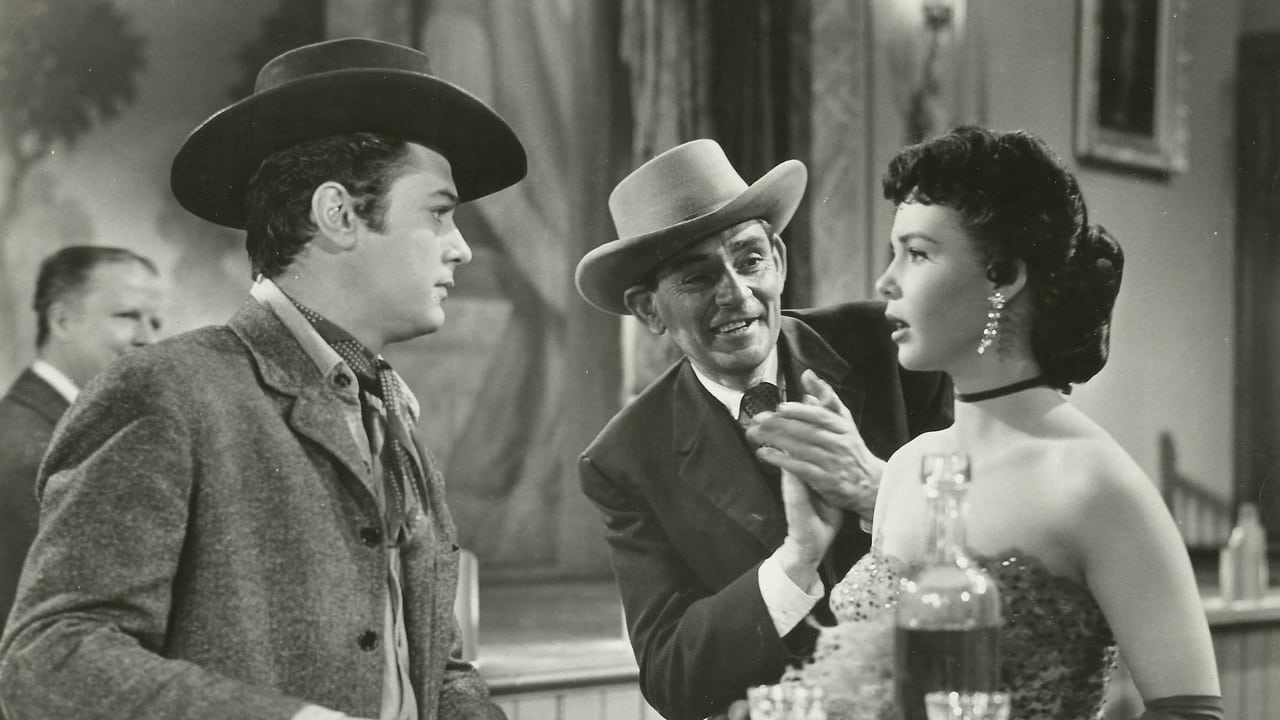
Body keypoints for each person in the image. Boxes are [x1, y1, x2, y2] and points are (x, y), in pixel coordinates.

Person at [0, 38, 526, 720]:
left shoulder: (393, 414)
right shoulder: (168, 391)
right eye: (438, 211)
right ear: (339, 214)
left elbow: (435, 667)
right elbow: (52, 657)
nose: (461, 247)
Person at [783, 126, 1222, 719]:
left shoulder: (1094, 484)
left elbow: (1191, 712)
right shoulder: (910, 468)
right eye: (894, 253)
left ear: (1004, 276)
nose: (886, 282)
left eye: (917, 253)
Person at [574, 139, 952, 720]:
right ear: (649, 310)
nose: (736, 293)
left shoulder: (891, 350)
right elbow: (670, 676)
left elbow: (993, 548)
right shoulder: (625, 459)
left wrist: (876, 493)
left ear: (777, 258)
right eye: (696, 279)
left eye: (749, 260)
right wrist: (794, 562)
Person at [0, 245, 163, 630]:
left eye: (155, 323)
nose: (148, 339)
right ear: (61, 322)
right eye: (127, 316)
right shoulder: (29, 449)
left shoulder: (63, 428)